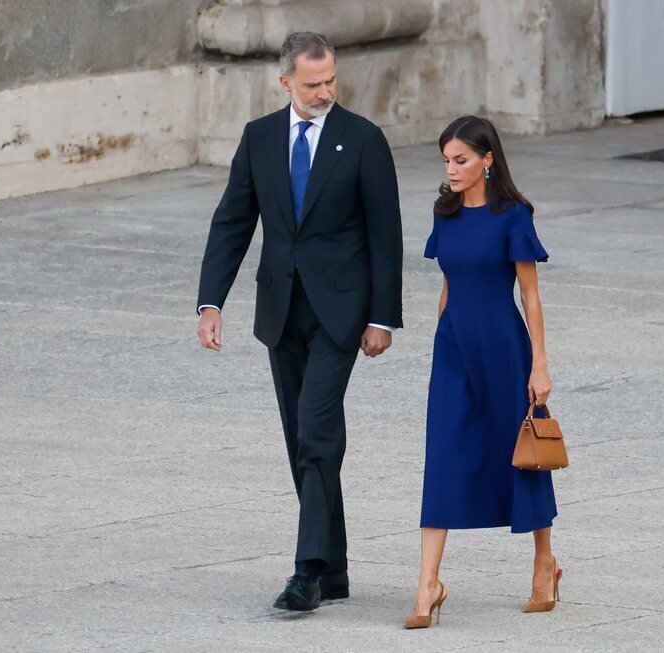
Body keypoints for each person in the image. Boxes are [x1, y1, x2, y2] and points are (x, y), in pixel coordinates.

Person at [195, 31, 403, 612]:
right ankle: (333, 568)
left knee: (316, 431)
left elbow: (386, 235)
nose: (325, 92)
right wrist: (211, 301)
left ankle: (306, 571)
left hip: (342, 313)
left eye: (332, 80)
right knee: (299, 440)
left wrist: (383, 317)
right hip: (281, 311)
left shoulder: (362, 139)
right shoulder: (259, 138)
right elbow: (232, 222)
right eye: (313, 84)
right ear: (285, 81)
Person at [404, 116, 559, 629]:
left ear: (487, 160)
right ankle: (428, 585)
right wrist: (441, 341)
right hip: (454, 351)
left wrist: (539, 365)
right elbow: (447, 285)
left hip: (504, 350)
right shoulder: (444, 214)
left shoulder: (512, 216)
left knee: (522, 456)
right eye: (446, 160)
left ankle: (544, 563)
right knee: (443, 455)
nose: (451, 169)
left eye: (461, 160)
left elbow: (530, 297)